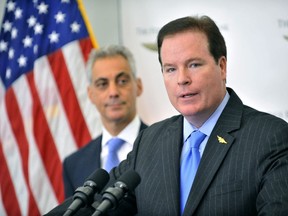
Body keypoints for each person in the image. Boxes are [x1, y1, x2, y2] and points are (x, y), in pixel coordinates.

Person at [46, 15, 288, 216]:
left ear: (222, 66)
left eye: (194, 64)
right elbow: (99, 204)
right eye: (170, 69)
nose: (182, 79)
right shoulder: (150, 141)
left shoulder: (270, 138)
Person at [62, 45, 148, 198]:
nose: (113, 92)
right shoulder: (73, 164)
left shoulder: (165, 147)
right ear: (90, 94)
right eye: (102, 84)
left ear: (138, 86)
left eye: (122, 81)